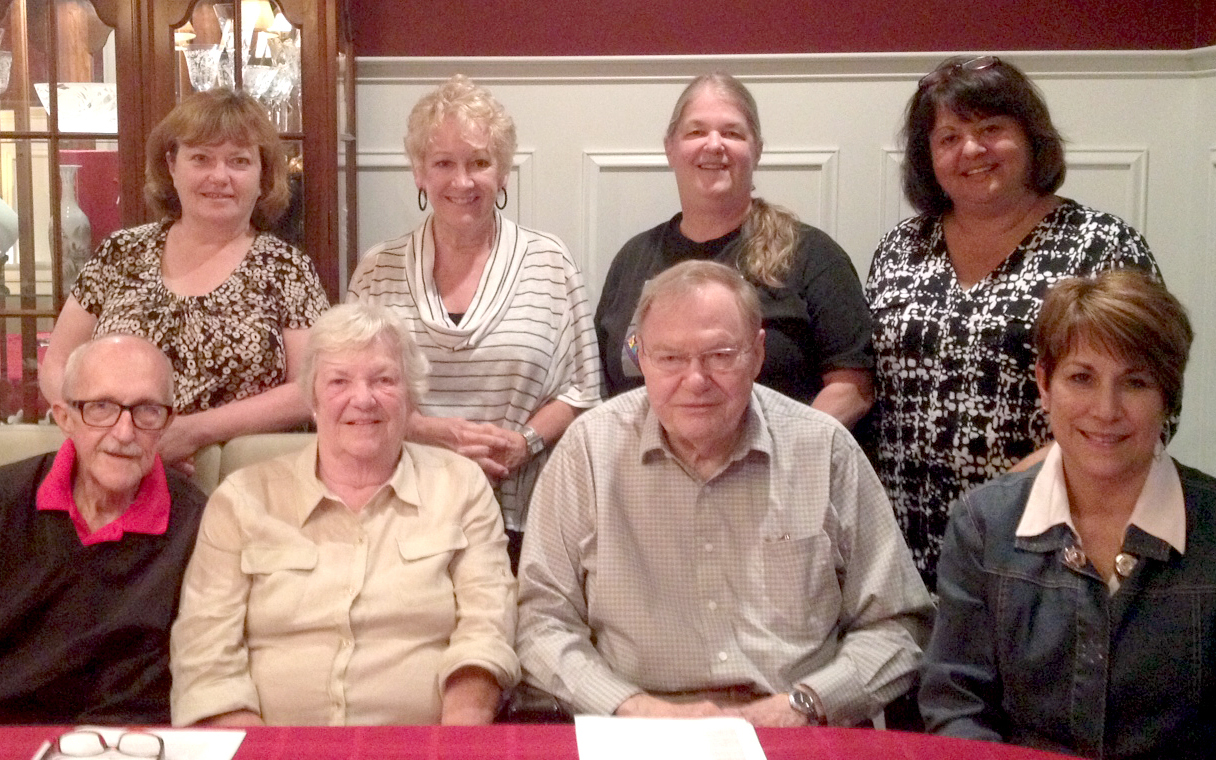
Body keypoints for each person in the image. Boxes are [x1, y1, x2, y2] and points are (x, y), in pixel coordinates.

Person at [517, 260, 932, 726]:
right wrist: (631, 707)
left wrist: (807, 704)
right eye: (670, 358)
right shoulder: (588, 451)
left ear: (756, 354)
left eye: (719, 355)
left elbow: (897, 624)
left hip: (797, 723)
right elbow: (541, 622)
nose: (695, 380)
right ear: (641, 357)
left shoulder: (824, 448)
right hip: (636, 728)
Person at [864, 55, 1160, 590]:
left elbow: (1155, 396)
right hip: (903, 548)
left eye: (991, 129)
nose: (971, 150)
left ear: (1030, 138)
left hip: (1046, 544)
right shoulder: (900, 248)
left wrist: (1008, 495)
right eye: (948, 137)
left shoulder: (1100, 245)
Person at [170, 303, 518, 726]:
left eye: (383, 379)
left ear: (410, 395)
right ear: (312, 398)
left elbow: (486, 632)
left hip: (422, 750)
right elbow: (205, 658)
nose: (362, 398)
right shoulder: (241, 499)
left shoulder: (461, 486)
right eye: (339, 380)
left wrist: (454, 748)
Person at [920, 270, 1214, 759]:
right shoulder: (982, 525)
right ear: (1044, 383)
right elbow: (956, 705)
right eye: (1081, 377)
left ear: (1168, 394)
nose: (1105, 410)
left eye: (1135, 382)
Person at [348, 75, 601, 569]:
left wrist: (521, 444)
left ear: (503, 173)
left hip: (523, 518)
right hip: (400, 510)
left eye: (479, 163)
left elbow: (582, 390)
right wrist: (436, 435)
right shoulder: (377, 270)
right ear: (419, 173)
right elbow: (347, 394)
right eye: (443, 163)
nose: (462, 182)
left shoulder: (550, 262)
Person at [40, 89, 330, 469]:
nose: (219, 176)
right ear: (172, 166)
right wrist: (100, 433)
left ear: (264, 175)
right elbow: (57, 363)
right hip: (116, 471)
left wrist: (192, 432)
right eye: (201, 159)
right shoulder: (121, 253)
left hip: (244, 479)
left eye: (239, 161)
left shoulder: (287, 268)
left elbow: (311, 388)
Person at [595, 72, 873, 426]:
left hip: (778, 470)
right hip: (648, 473)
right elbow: (604, 385)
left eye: (732, 132)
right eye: (696, 131)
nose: (714, 144)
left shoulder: (812, 255)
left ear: (756, 150)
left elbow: (853, 388)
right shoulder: (633, 260)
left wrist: (789, 451)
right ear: (670, 148)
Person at [0, 335, 205, 724]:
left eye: (146, 410)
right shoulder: (6, 500)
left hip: (130, 742)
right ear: (65, 417)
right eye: (101, 407)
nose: (124, 432)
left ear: (166, 422)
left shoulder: (201, 527)